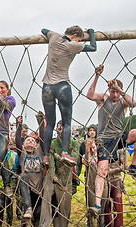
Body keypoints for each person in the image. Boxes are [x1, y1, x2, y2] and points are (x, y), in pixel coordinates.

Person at [86, 64, 136, 215]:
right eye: (112, 91)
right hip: (104, 140)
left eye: (116, 91)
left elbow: (133, 103)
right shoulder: (103, 99)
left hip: (119, 137)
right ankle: (97, 205)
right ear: (108, 90)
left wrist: (119, 89)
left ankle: (133, 166)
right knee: (102, 171)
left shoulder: (123, 101)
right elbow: (89, 95)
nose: (114, 94)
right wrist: (96, 76)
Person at [40, 25, 96, 168]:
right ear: (76, 35)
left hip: (47, 86)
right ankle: (65, 152)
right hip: (62, 85)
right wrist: (91, 33)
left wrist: (55, 34)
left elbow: (44, 30)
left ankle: (45, 156)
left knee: (50, 123)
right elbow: (93, 47)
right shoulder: (73, 46)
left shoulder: (54, 37)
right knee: (66, 123)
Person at [37, 120, 79, 227]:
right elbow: (50, 159)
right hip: (53, 176)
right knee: (47, 191)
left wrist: (59, 158)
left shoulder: (73, 144)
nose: (60, 130)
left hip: (66, 179)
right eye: (58, 128)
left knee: (65, 209)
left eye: (62, 128)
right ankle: (44, 225)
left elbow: (73, 160)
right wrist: (52, 174)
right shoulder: (53, 143)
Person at [14, 113, 46, 227]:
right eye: (27, 139)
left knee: (37, 213)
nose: (30, 141)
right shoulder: (22, 153)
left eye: (32, 140)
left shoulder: (39, 151)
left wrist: (40, 123)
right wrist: (18, 125)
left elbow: (43, 139)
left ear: (35, 144)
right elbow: (17, 140)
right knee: (26, 211)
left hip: (39, 188)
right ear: (24, 144)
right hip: (27, 188)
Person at [103, 148, 127, 227]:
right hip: (104, 180)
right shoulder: (102, 146)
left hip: (116, 179)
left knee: (118, 206)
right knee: (105, 206)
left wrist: (108, 171)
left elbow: (125, 166)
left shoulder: (120, 149)